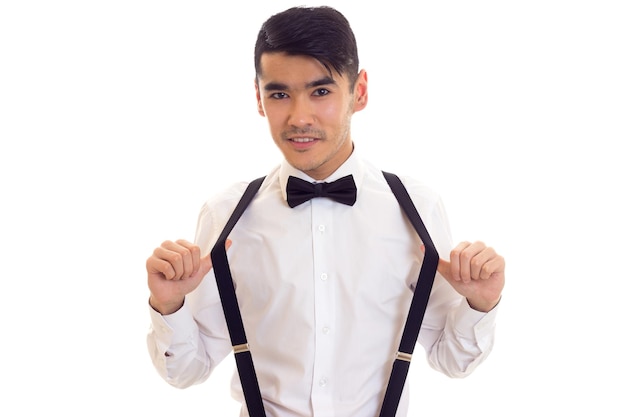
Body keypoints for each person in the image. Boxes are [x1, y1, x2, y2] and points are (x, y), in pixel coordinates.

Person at [146, 6, 505, 417]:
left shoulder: (417, 209)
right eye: (279, 94)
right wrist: (169, 306)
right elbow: (187, 370)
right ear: (259, 100)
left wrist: (480, 304)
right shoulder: (227, 214)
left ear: (360, 91)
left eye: (321, 91)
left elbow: (452, 359)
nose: (299, 117)